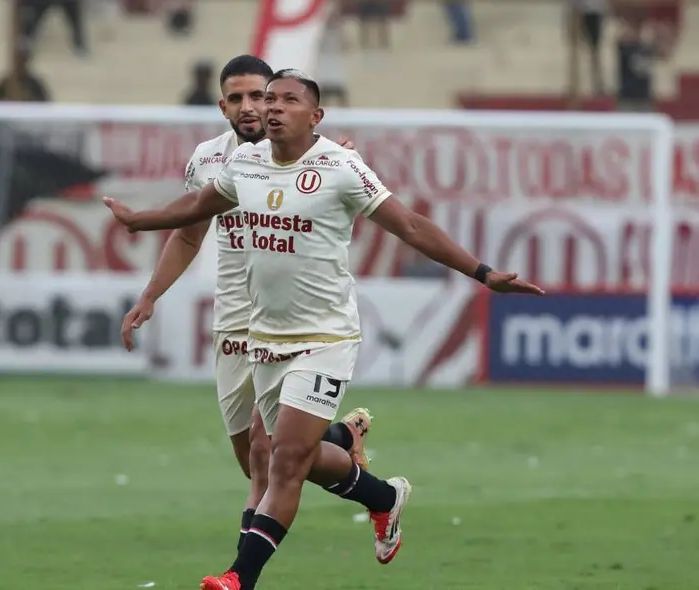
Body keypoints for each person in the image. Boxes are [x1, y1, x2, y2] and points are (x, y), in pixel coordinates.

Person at [105, 69, 545, 590]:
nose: (270, 107)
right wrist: (141, 220)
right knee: (272, 458)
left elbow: (409, 226)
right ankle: (376, 486)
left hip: (325, 339)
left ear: (315, 116)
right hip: (261, 339)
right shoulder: (241, 162)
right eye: (267, 99)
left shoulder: (340, 167)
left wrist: (484, 273)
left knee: (285, 459)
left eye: (285, 100)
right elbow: (199, 209)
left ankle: (238, 579)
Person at [124, 54, 375, 556]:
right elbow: (190, 235)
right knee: (255, 462)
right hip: (232, 321)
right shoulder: (210, 160)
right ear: (222, 106)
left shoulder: (319, 157)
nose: (250, 107)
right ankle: (356, 460)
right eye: (236, 98)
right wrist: (151, 294)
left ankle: (240, 575)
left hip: (290, 323)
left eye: (259, 95)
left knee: (270, 457)